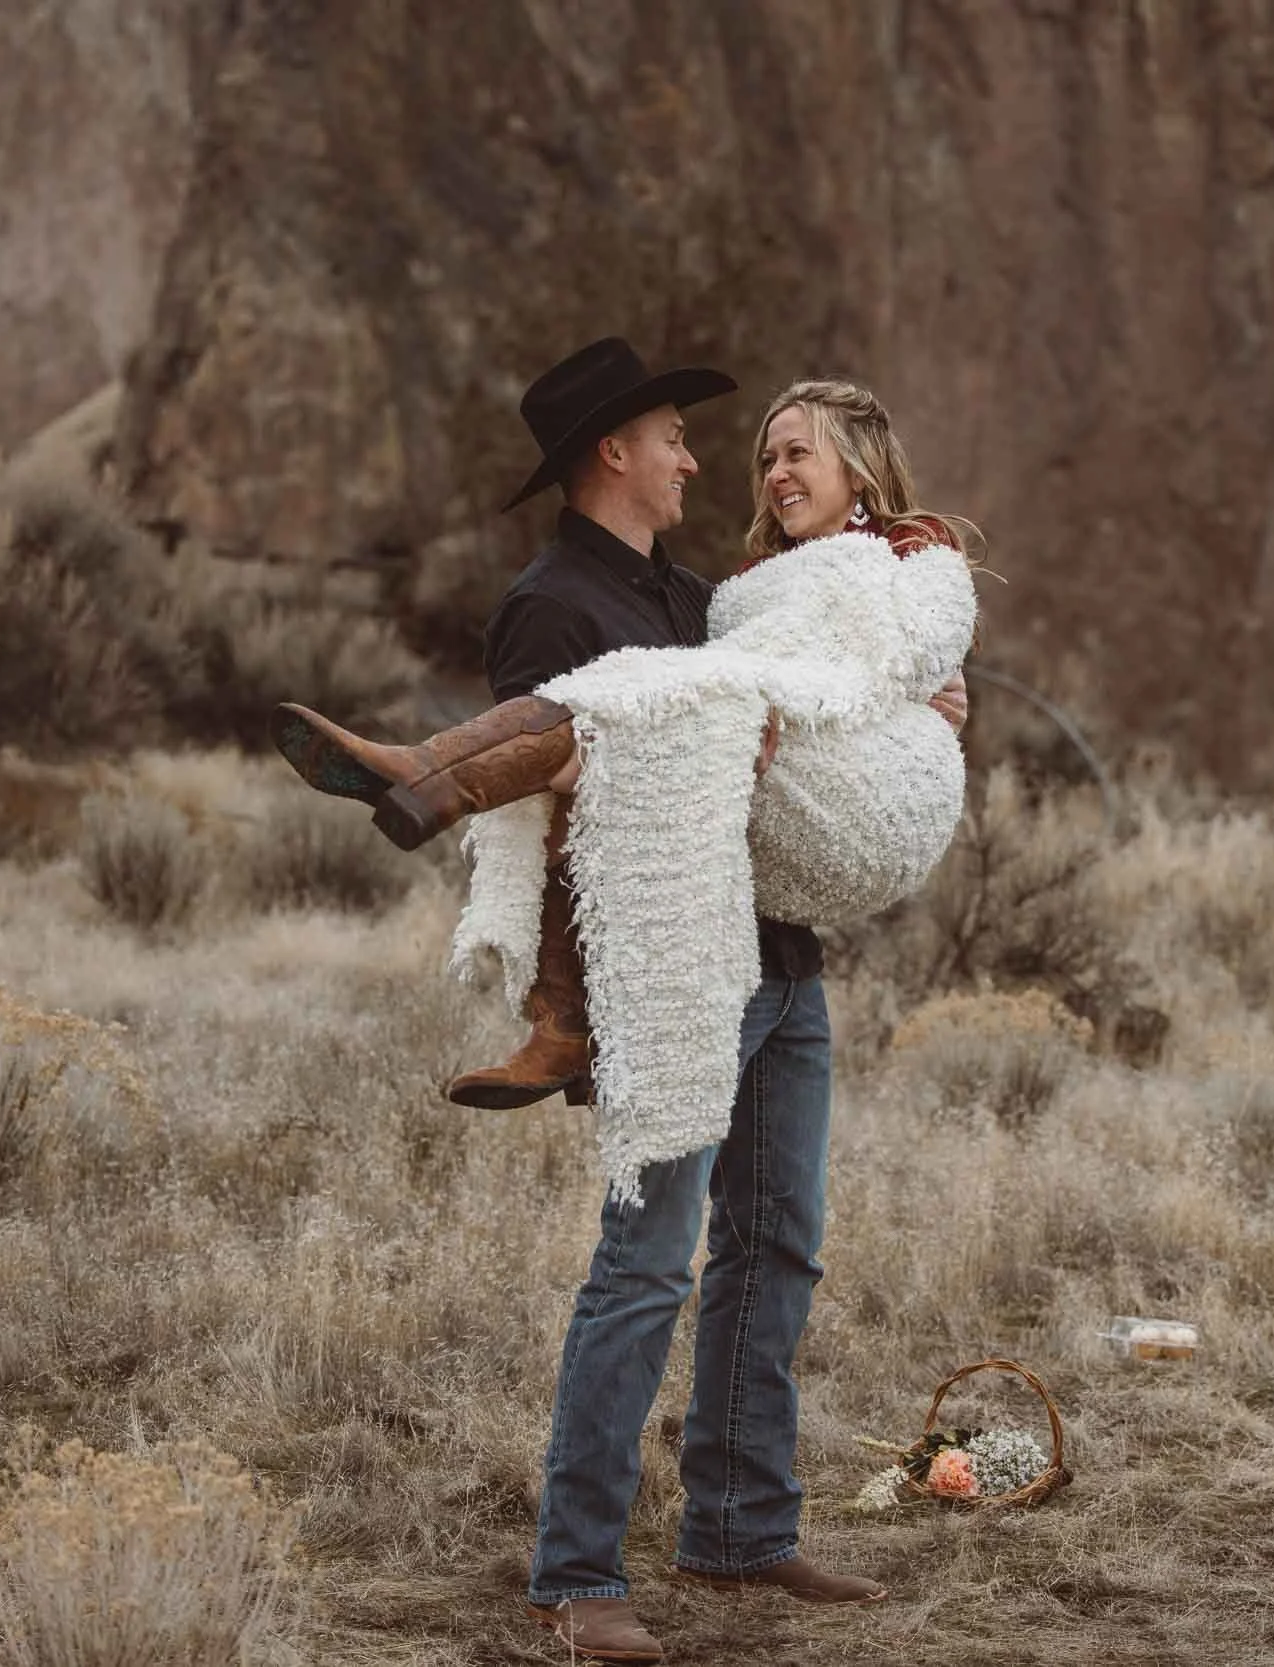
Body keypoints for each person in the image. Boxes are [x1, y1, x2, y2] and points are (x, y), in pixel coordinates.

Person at [275, 338, 970, 1662]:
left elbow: (800, 705)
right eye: (673, 437)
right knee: (646, 1266)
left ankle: (741, 1528)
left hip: (782, 958)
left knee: (776, 1244)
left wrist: (905, 702)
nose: (697, 460)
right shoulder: (552, 607)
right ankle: (574, 1569)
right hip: (669, 974)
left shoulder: (701, 596)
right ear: (614, 451)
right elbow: (544, 809)